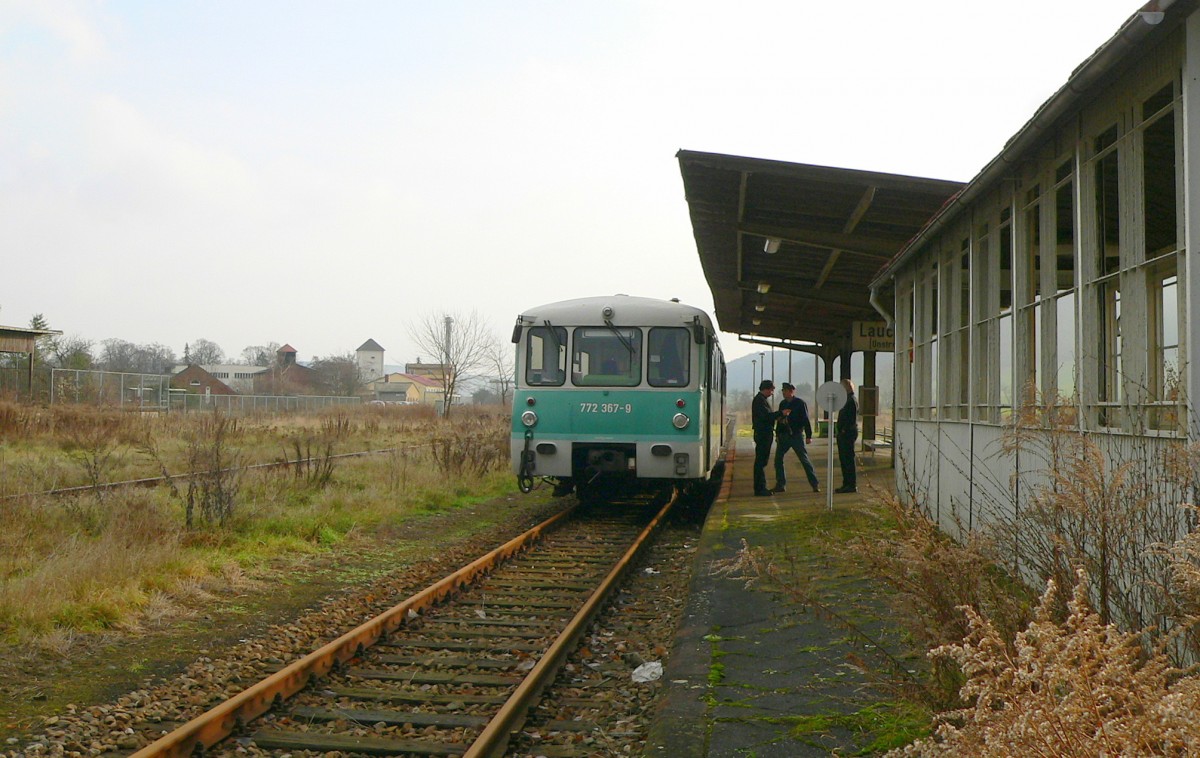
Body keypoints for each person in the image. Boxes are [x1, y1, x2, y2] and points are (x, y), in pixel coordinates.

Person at [772, 382, 819, 493]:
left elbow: (805, 419)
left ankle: (814, 484)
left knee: (804, 460)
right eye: (783, 390)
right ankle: (780, 484)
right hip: (784, 435)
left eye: (785, 391)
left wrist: (809, 435)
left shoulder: (799, 403)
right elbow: (779, 420)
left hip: (796, 435)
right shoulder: (783, 404)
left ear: (791, 391)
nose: (783, 393)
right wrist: (778, 434)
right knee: (778, 460)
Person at [751, 379, 788, 496]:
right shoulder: (760, 401)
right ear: (766, 389)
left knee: (761, 461)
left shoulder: (760, 400)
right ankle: (760, 488)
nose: (772, 393)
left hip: (763, 433)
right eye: (771, 390)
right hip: (763, 434)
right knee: (761, 461)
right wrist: (781, 413)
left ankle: (760, 487)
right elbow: (766, 416)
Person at [835, 378, 859, 493]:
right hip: (844, 433)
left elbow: (851, 419)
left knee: (848, 459)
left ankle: (851, 484)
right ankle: (846, 483)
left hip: (847, 434)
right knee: (844, 459)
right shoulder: (847, 400)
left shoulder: (851, 401)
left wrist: (843, 430)